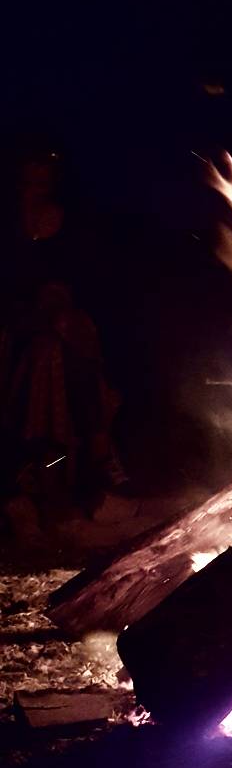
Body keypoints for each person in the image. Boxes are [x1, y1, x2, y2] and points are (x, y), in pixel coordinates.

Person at [0, 148, 125, 520]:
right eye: (30, 182)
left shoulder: (66, 228)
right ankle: (46, 474)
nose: (36, 190)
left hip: (58, 327)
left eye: (43, 182)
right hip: (16, 327)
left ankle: (92, 462)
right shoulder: (8, 231)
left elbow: (75, 282)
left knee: (69, 338)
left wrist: (56, 306)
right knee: (47, 351)